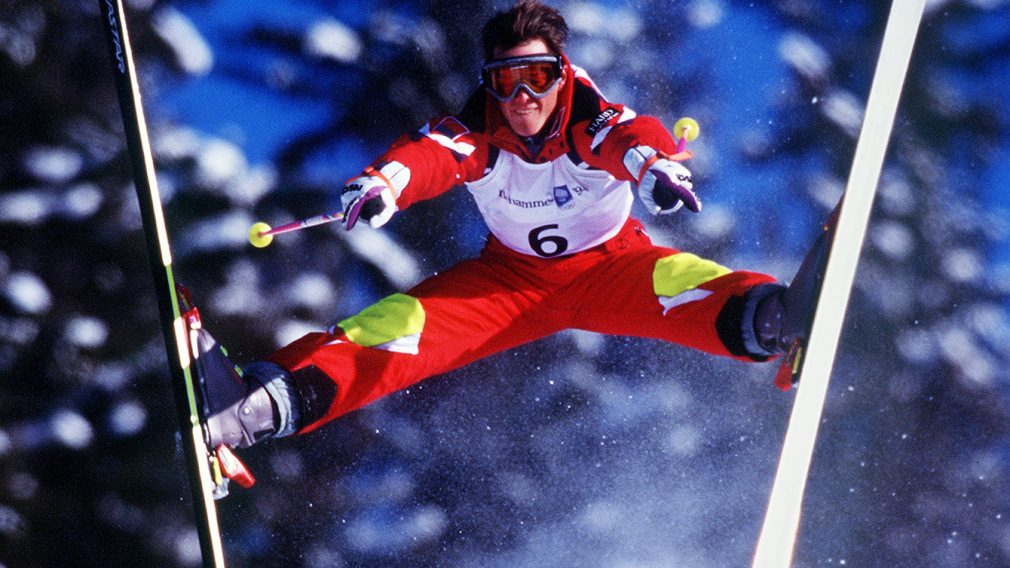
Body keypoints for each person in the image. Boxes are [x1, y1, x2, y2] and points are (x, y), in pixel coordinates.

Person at [198, 0, 819, 450]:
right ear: (488, 85)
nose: (523, 97)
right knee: (395, 332)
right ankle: (253, 410)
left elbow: (631, 137)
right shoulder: (478, 130)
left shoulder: (588, 117)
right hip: (507, 285)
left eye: (538, 77)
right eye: (505, 82)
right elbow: (430, 156)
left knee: (683, 281)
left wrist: (656, 167)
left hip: (610, 267)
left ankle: (770, 317)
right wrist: (382, 184)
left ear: (561, 72)